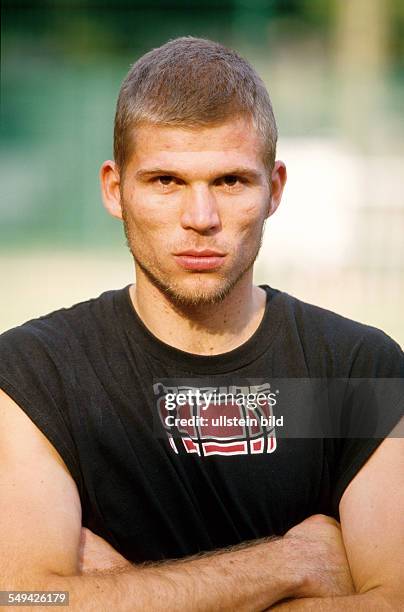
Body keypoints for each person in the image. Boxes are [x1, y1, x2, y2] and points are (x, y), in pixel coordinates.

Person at [0, 36, 403, 611]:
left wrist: (114, 593)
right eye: (166, 181)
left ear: (275, 189)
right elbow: (23, 602)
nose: (200, 219)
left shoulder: (358, 372)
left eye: (230, 182)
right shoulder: (35, 375)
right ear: (116, 190)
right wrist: (291, 564)